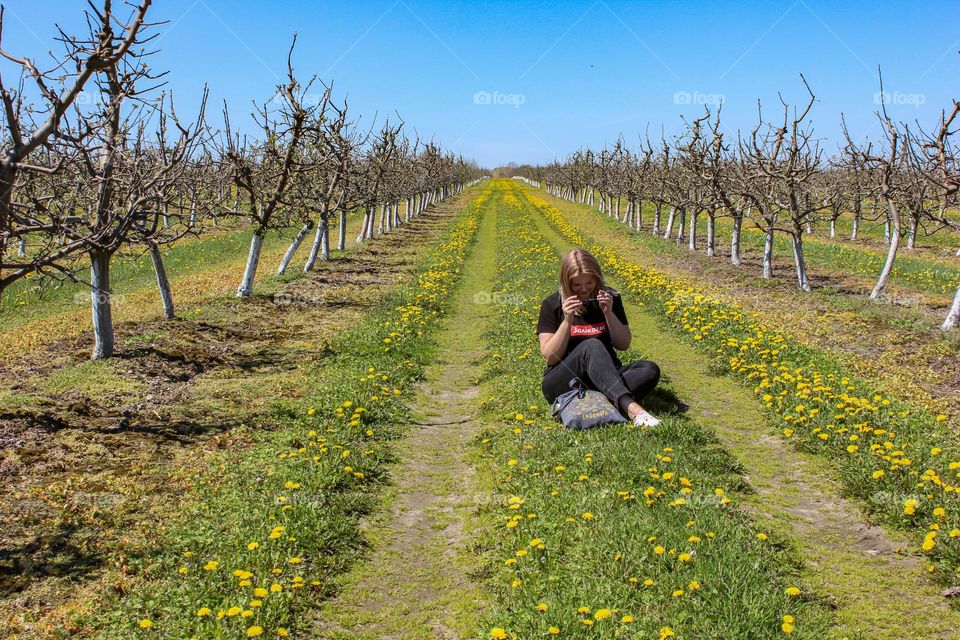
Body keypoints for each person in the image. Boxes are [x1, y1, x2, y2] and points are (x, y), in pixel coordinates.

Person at [536, 248, 661, 427]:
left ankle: (595, 399)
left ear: (598, 278)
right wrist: (567, 321)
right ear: (566, 282)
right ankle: (632, 409)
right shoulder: (552, 304)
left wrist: (609, 313)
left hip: (606, 375)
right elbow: (550, 356)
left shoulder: (610, 299)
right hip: (564, 379)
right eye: (577, 285)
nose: (584, 289)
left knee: (649, 369)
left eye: (589, 283)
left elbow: (623, 344)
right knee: (591, 345)